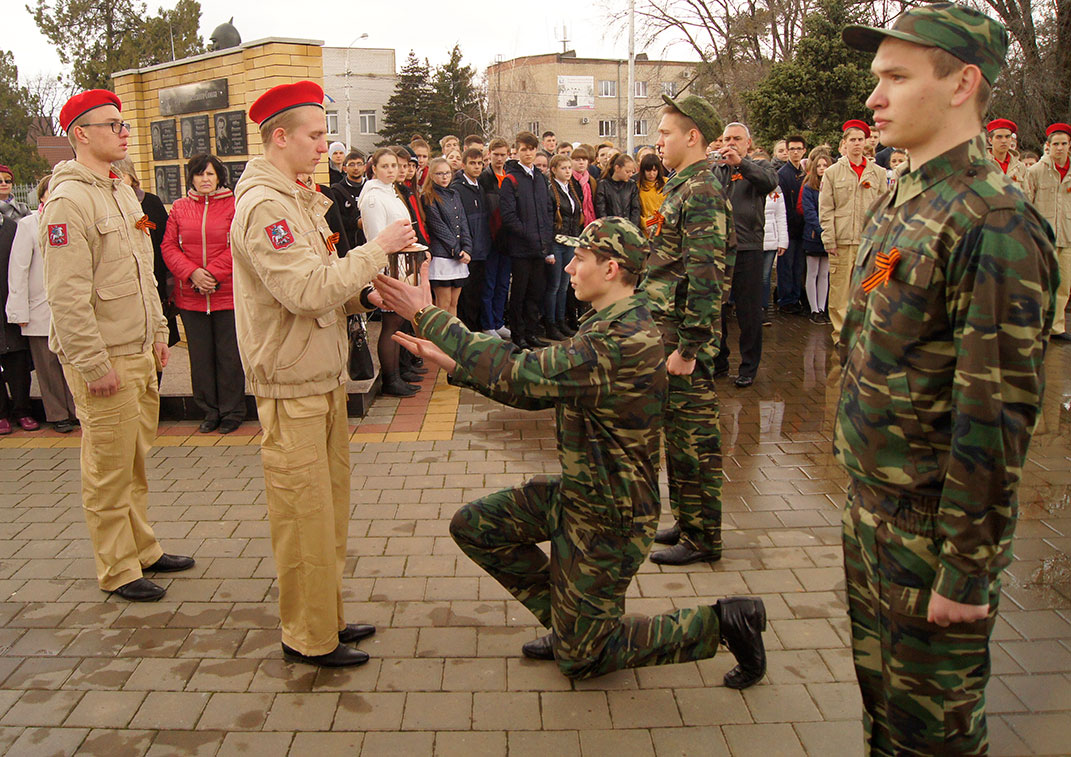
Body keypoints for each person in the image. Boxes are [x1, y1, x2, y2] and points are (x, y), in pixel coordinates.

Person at [375, 217, 768, 687]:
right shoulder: (608, 324)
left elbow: (522, 372)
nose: (569, 270)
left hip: (611, 516)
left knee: (584, 661)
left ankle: (724, 623)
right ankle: (570, 625)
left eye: (580, 260)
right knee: (477, 528)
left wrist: (430, 316)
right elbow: (538, 390)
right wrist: (458, 364)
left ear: (611, 269)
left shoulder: (620, 340)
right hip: (583, 495)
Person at [837, 6, 1058, 753]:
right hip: (869, 514)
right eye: (876, 79)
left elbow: (991, 416)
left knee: (932, 739)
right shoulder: (903, 198)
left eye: (895, 78)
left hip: (928, 534)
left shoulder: (993, 221)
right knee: (884, 722)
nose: (873, 98)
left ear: (963, 83)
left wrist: (966, 568)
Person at [230, 80, 416, 668]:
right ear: (279, 138)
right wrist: (376, 249)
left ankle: (325, 618)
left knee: (328, 508)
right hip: (292, 380)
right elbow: (305, 290)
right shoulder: (266, 206)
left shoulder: (296, 197)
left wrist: (365, 295)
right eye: (315, 134)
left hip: (318, 372)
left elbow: (322, 283)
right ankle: (307, 638)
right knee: (303, 514)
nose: (325, 144)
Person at [42, 88, 194, 601]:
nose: (124, 132)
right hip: (103, 355)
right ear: (81, 134)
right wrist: (90, 362)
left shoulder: (121, 191)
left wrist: (157, 332)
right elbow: (65, 295)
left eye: (123, 124)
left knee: (133, 459)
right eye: (113, 125)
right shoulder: (68, 199)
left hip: (135, 347)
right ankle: (117, 568)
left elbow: (142, 272)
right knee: (107, 468)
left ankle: (142, 548)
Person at [644, 94, 732, 565]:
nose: (658, 141)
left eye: (665, 133)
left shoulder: (700, 192)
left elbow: (706, 276)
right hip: (670, 334)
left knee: (695, 441)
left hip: (684, 341)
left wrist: (691, 347)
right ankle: (687, 518)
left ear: (692, 136)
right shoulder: (685, 185)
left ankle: (704, 538)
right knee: (677, 437)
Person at [161, 153, 245, 434]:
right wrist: (193, 273)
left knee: (229, 356)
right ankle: (209, 410)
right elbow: (169, 247)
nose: (205, 179)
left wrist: (212, 274)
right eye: (199, 174)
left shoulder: (235, 206)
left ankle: (233, 411)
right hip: (192, 297)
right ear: (191, 178)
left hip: (227, 295)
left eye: (210, 174)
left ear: (219, 176)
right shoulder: (179, 208)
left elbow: (240, 245)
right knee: (200, 358)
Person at [6, 173, 78, 432]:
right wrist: (18, 310)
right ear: (42, 195)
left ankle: (77, 410)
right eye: (51, 190)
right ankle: (58, 414)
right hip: (40, 309)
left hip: (72, 307)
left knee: (74, 362)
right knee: (48, 367)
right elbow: (18, 268)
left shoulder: (75, 219)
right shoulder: (29, 224)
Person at [711, 122, 779, 389]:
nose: (730, 143)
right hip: (720, 250)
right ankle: (719, 361)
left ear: (748, 143)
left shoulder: (760, 167)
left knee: (749, 313)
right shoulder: (715, 170)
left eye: (736, 138)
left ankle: (749, 367)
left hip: (749, 247)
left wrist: (741, 164)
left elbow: (768, 183)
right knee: (718, 310)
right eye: (726, 139)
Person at [360, 148, 424, 396]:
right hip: (389, 265)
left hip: (403, 262)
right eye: (384, 166)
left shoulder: (391, 192)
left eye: (393, 166)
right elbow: (378, 238)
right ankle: (391, 377)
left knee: (402, 320)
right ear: (374, 168)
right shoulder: (374, 197)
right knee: (392, 323)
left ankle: (402, 367)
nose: (390, 170)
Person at [818, 120, 887, 342]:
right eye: (852, 140)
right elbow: (826, 209)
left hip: (868, 240)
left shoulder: (878, 173)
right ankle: (841, 334)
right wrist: (829, 239)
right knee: (840, 291)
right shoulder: (832, 173)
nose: (857, 144)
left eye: (860, 139)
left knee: (868, 288)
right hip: (842, 239)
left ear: (866, 142)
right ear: (844, 144)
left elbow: (884, 208)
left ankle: (864, 333)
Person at [112, 158, 176, 347]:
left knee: (158, 345)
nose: (116, 180)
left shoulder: (150, 203)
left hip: (154, 281)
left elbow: (164, 239)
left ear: (131, 176)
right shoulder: (108, 206)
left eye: (120, 175)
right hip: (124, 288)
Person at [500, 131, 554, 350]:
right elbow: (508, 216)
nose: (529, 153)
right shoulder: (510, 179)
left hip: (539, 247)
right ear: (517, 151)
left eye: (532, 149)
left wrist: (545, 238)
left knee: (536, 292)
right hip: (521, 247)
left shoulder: (540, 178)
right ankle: (518, 334)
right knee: (520, 293)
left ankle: (531, 332)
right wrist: (528, 234)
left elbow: (548, 210)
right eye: (524, 149)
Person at [1026, 123, 1071, 342]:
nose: (1060, 148)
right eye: (1056, 144)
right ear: (1048, 146)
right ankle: (1037, 323)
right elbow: (1027, 202)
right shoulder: (1035, 171)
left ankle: (1057, 327)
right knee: (1040, 282)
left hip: (1067, 235)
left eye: (1064, 143)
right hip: (1042, 236)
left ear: (1069, 146)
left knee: (1063, 284)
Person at [0, 194, 36, 435]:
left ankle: (22, 410)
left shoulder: (12, 227)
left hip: (8, 300)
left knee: (18, 361)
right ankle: (1, 414)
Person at [423, 157, 471, 316]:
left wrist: (467, 248)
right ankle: (439, 340)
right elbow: (438, 227)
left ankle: (452, 339)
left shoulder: (454, 193)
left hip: (459, 256)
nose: (444, 177)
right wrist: (456, 251)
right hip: (442, 256)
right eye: (439, 173)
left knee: (454, 303)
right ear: (431, 175)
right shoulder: (428, 196)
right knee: (443, 304)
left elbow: (463, 221)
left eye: (447, 173)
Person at [454, 148, 493, 333]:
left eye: (480, 163)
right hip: (468, 250)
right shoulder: (457, 188)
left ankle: (476, 329)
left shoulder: (480, 187)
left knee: (477, 292)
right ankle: (467, 332)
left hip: (482, 249)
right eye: (472, 163)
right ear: (464, 165)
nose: (477, 167)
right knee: (466, 296)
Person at [545, 154, 582, 340]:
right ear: (554, 170)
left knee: (565, 285)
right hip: (556, 242)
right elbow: (548, 220)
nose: (568, 171)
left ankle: (561, 321)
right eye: (563, 168)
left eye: (569, 168)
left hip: (570, 241)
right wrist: (548, 250)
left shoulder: (571, 188)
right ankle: (550, 323)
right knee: (554, 285)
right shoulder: (551, 190)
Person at [478, 138, 512, 338]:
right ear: (489, 154)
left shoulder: (509, 177)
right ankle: (488, 323)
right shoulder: (485, 178)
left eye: (503, 154)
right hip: (491, 238)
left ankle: (499, 321)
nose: (499, 158)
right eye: (496, 154)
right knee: (489, 282)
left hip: (507, 239)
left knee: (503, 282)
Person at [776, 136, 808, 315]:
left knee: (798, 266)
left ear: (804, 151)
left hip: (802, 228)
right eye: (792, 149)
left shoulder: (805, 173)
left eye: (799, 149)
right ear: (787, 151)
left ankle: (796, 296)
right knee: (786, 266)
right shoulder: (783, 174)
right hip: (788, 227)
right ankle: (786, 299)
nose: (795, 152)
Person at [800, 151, 831, 323]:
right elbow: (809, 212)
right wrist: (821, 230)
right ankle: (814, 309)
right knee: (812, 273)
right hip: (813, 235)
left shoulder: (832, 186)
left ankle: (822, 306)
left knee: (824, 273)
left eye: (825, 165)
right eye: (818, 166)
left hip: (828, 236)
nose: (822, 169)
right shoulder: (808, 188)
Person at [760, 172, 788, 325]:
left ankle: (763, 308)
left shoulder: (775, 189)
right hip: (751, 240)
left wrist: (783, 241)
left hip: (770, 241)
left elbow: (780, 215)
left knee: (765, 277)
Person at [331, 150, 366, 249]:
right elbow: (336, 219)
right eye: (352, 164)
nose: (356, 168)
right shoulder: (336, 191)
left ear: (364, 167)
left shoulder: (371, 188)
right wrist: (356, 223)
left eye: (359, 164)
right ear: (345, 168)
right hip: (348, 244)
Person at [595, 153, 641, 228]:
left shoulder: (632, 185)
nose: (630, 174)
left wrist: (632, 227)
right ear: (617, 168)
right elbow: (601, 210)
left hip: (628, 228)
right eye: (627, 171)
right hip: (609, 229)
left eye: (632, 172)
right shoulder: (603, 185)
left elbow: (635, 209)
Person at [986, 118, 1027, 187]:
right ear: (990, 140)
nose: (1004, 141)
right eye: (999, 137)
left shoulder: (1020, 167)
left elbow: (1026, 194)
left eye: (1007, 137)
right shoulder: (980, 165)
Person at [637, 152, 666, 236]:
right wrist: (648, 223)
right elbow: (636, 211)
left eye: (654, 170)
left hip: (664, 229)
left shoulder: (667, 184)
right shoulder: (637, 187)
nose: (651, 174)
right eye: (648, 170)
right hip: (646, 231)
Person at [569, 145, 598, 228]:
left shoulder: (592, 181)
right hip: (575, 223)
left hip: (590, 222)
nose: (581, 162)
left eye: (584, 159)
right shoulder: (568, 179)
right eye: (577, 160)